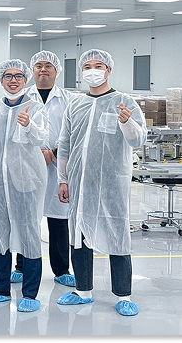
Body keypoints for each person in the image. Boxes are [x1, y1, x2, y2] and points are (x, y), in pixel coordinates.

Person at [56, 49, 147, 317]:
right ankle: (83, 291)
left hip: (111, 185)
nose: (92, 71)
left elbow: (138, 140)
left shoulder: (124, 102)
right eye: (87, 67)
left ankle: (124, 295)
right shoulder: (75, 104)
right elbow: (65, 144)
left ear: (108, 70)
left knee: (117, 236)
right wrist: (63, 180)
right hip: (79, 183)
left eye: (98, 66)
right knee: (80, 236)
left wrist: (127, 122)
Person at [0, 59, 48, 313]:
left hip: (27, 181)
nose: (13, 80)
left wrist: (28, 125)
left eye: (18, 76)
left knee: (29, 235)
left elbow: (41, 138)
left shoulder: (36, 107)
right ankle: (0, 290)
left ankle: (30, 293)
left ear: (25, 79)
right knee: (0, 234)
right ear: (1, 80)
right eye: (8, 76)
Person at [11, 51, 76, 287]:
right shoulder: (21, 97)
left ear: (57, 70)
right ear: (32, 71)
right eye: (38, 66)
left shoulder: (69, 99)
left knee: (59, 220)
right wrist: (36, 153)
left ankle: (61, 269)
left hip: (59, 166)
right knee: (27, 217)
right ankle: (21, 266)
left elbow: (74, 132)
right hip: (29, 165)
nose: (43, 70)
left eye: (48, 66)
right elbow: (13, 131)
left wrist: (53, 153)